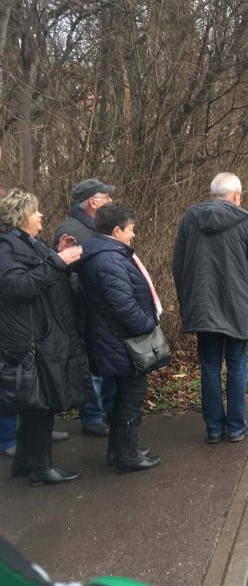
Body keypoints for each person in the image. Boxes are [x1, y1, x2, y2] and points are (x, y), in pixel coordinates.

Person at [173, 172, 248, 443]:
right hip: (238, 307)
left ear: (212, 195)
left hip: (202, 307)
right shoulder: (247, 222)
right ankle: (236, 427)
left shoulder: (189, 221)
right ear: (236, 196)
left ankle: (214, 429)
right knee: (236, 364)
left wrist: (187, 301)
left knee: (209, 366)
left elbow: (178, 265)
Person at [0, 189, 88, 485]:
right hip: (29, 337)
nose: (41, 215)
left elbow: (39, 269)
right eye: (35, 211)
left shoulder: (28, 241)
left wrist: (56, 250)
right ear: (21, 216)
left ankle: (24, 462)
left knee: (36, 402)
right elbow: (19, 285)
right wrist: (58, 260)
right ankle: (41, 468)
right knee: (41, 404)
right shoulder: (5, 247)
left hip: (42, 332)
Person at [78, 202, 162, 473]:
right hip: (121, 342)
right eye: (130, 230)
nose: (133, 235)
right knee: (131, 398)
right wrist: (148, 325)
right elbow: (122, 305)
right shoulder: (109, 259)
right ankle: (126, 455)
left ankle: (119, 450)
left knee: (123, 397)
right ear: (116, 231)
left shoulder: (101, 252)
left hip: (112, 340)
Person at [54, 178, 117, 438]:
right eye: (107, 197)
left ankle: (104, 413)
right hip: (85, 311)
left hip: (96, 310)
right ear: (93, 202)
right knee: (92, 366)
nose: (111, 201)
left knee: (101, 364)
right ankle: (92, 417)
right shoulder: (73, 231)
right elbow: (73, 275)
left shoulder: (91, 227)